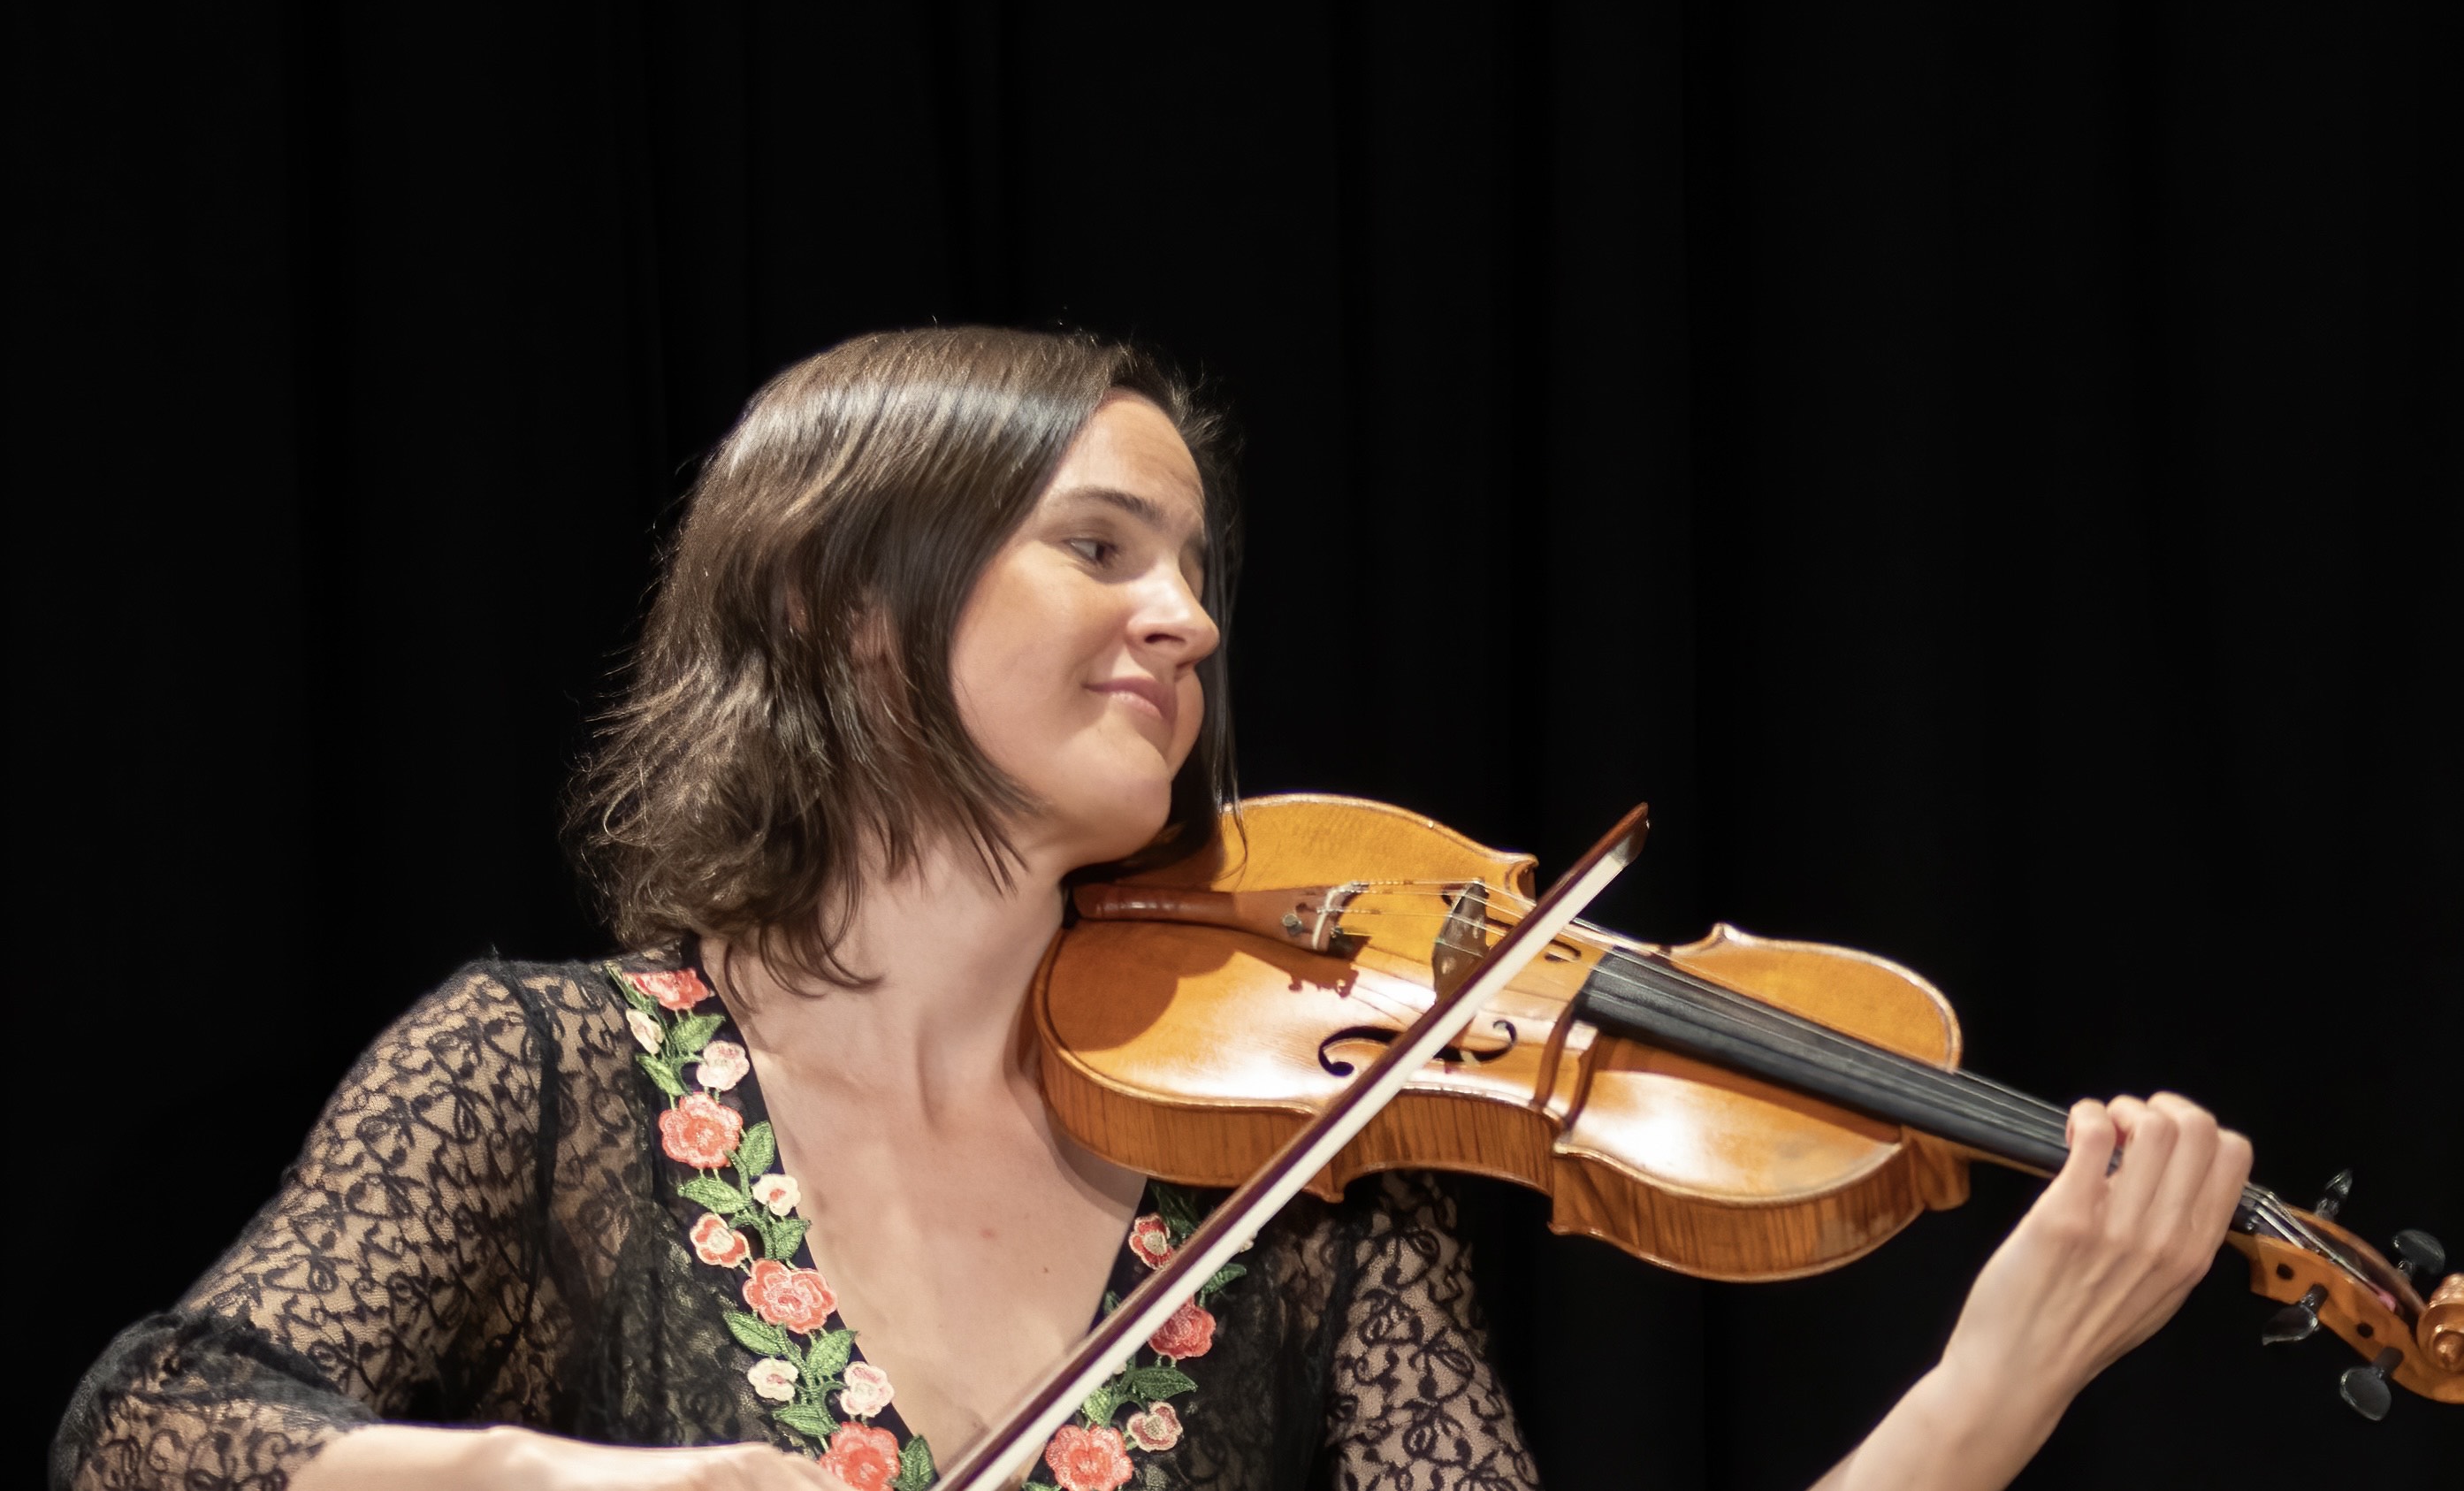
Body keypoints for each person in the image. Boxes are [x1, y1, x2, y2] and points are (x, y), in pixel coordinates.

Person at [52, 326, 2253, 1491]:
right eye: (1099, 547)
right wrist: (545, 1484)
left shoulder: (1309, 1172)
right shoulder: (540, 1075)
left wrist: (1990, 1388)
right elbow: (151, 1429)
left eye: (1192, 568)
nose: (1184, 619)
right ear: (838, 605)